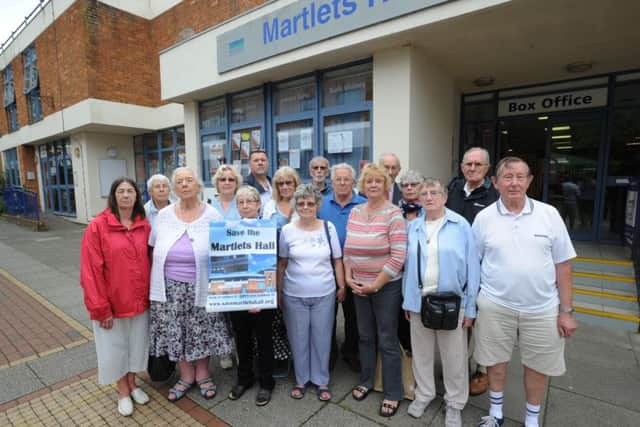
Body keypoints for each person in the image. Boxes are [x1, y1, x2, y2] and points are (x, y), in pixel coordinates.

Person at [472, 157, 578, 427]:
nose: (514, 182)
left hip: (542, 308)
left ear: (530, 181)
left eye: (520, 176)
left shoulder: (549, 214)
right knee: (495, 362)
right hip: (495, 305)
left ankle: (531, 419)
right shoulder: (483, 219)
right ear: (495, 183)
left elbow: (563, 266)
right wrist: (470, 306)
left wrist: (566, 312)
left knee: (538, 365)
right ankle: (495, 414)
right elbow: (473, 264)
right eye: (507, 177)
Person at [148, 167, 232, 403]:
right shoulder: (164, 215)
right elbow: (153, 246)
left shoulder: (212, 215)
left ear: (198, 185)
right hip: (169, 288)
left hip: (202, 284)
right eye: (179, 182)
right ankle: (185, 375)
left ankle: (203, 373)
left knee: (202, 330)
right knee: (175, 331)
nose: (184, 184)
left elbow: (224, 251)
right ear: (174, 189)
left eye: (189, 180)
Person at [402, 178, 480, 426]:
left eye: (434, 192)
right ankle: (424, 394)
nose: (428, 197)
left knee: (454, 357)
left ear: (445, 197)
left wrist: (470, 307)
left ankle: (455, 403)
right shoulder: (413, 226)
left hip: (451, 302)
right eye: (424, 193)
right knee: (422, 354)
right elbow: (407, 267)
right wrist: (407, 300)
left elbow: (473, 268)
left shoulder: (460, 225)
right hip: (419, 301)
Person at [80, 177, 152, 417]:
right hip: (112, 303)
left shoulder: (143, 224)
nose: (125, 195)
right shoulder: (98, 226)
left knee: (136, 346)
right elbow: (90, 270)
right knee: (115, 349)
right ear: (113, 196)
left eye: (130, 191)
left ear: (136, 196)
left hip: (140, 301)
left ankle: (133, 384)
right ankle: (122, 391)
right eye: (120, 191)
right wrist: (100, 308)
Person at [344, 163, 407, 417]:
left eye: (377, 181)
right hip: (358, 285)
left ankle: (393, 392)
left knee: (387, 339)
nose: (372, 185)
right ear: (362, 185)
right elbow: (348, 249)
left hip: (386, 287)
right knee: (365, 336)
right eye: (368, 181)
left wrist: (376, 285)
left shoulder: (394, 214)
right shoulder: (356, 212)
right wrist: (349, 278)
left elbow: (398, 256)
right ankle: (367, 380)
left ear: (385, 185)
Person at [278, 184, 345, 401]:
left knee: (322, 338)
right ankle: (301, 379)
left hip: (324, 292)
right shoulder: (287, 230)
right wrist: (278, 291)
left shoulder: (328, 227)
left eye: (310, 203)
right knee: (298, 339)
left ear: (317, 205)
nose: (306, 207)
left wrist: (342, 286)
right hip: (294, 294)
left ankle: (321, 380)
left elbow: (337, 260)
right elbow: (282, 263)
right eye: (301, 203)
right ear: (295, 205)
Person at [446, 146, 499, 396]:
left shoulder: (494, 195)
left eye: (478, 164)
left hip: (484, 270)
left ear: (487, 168)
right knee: (461, 322)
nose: (473, 168)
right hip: (456, 269)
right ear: (462, 166)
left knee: (483, 325)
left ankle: (483, 370)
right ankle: (459, 367)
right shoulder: (452, 190)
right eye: (468, 164)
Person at [227, 185, 276, 406]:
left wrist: (260, 297)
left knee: (265, 340)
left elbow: (274, 264)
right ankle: (244, 378)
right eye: (241, 202)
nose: (245, 205)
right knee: (242, 338)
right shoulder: (227, 230)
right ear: (237, 206)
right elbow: (225, 263)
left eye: (250, 201)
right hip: (237, 296)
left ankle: (266, 382)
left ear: (258, 205)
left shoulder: (269, 229)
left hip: (263, 295)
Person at [318, 163, 366, 372]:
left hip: (356, 269)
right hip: (327, 268)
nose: (343, 183)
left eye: (347, 179)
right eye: (338, 179)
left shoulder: (363, 204)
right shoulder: (322, 205)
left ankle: (350, 350)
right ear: (332, 182)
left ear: (354, 182)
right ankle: (329, 352)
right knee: (327, 314)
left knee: (353, 316)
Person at [263, 166, 302, 374]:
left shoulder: (304, 204)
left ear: (296, 184)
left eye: (289, 182)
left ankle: (299, 357)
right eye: (281, 183)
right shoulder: (269, 206)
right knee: (276, 313)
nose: (285, 186)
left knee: (295, 313)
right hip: (272, 266)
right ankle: (281, 355)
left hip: (297, 267)